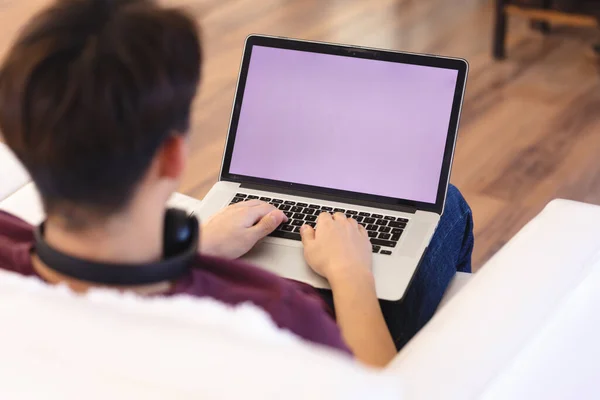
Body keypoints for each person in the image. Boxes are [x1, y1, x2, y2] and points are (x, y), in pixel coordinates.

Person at [0, 0, 473, 367]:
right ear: (172, 157)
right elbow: (379, 388)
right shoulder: (277, 317)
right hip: (344, 317)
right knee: (448, 207)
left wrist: (197, 248)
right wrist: (351, 277)